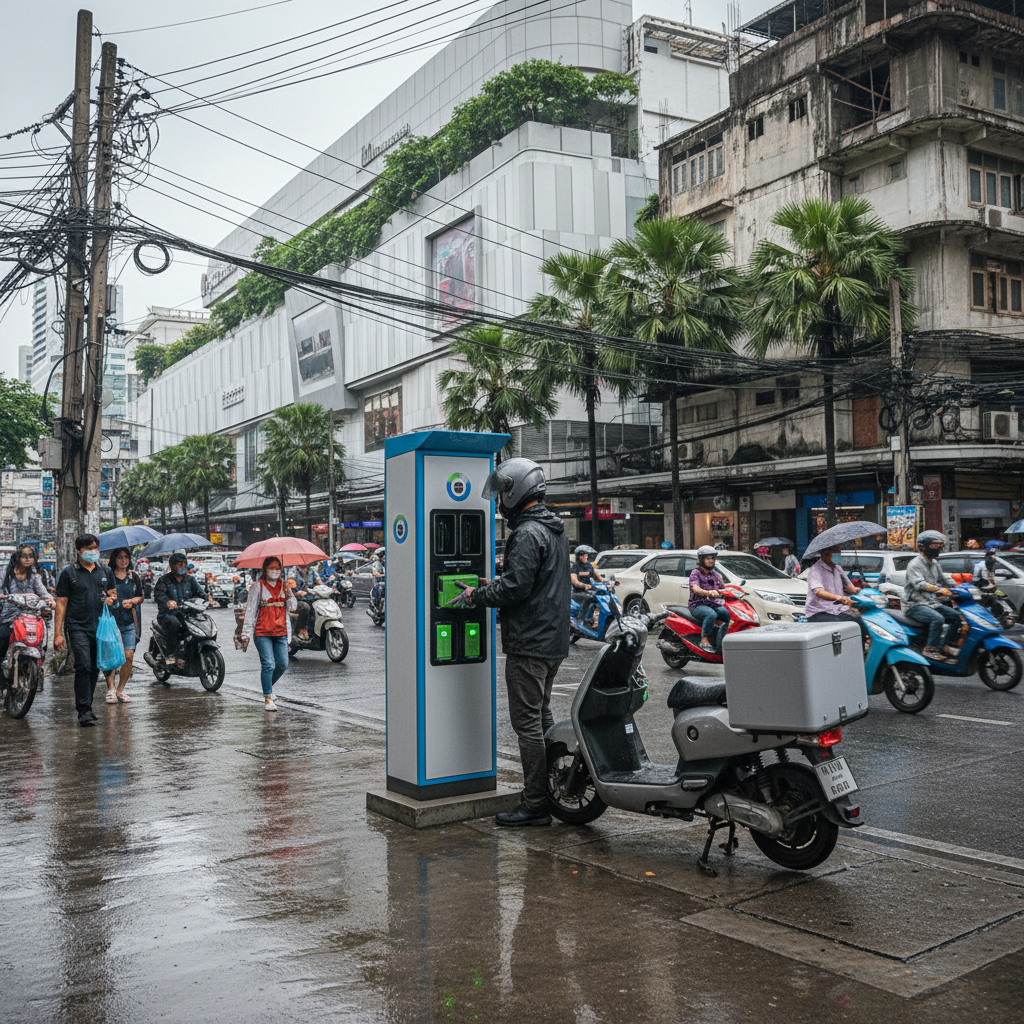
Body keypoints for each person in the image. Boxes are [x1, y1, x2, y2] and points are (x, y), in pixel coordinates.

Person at [461, 458, 570, 827]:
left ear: (517, 490)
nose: (501, 500)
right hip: (552, 641)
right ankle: (556, 789)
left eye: (503, 492)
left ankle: (536, 803)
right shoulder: (554, 529)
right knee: (542, 718)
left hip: (529, 644)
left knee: (527, 726)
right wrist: (487, 583)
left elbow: (516, 587)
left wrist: (477, 596)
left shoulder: (526, 533)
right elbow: (530, 581)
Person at [53, 534, 116, 726]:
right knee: (83, 665)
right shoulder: (69, 573)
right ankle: (83, 710)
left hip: (100, 626)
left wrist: (112, 599)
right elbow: (61, 603)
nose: (93, 551)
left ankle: (87, 706)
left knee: (94, 667)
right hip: (77, 626)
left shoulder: (105, 570)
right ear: (79, 551)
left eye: (96, 548)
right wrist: (58, 634)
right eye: (89, 548)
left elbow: (113, 593)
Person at [239, 556, 297, 711]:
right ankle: (268, 698)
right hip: (262, 631)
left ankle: (267, 687)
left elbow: (292, 607)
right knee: (268, 664)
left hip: (281, 632)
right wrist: (246, 634)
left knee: (283, 664)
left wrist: (289, 594)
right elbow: (251, 610)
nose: (275, 571)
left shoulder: (284, 585)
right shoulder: (257, 586)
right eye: (271, 568)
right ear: (265, 570)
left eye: (277, 568)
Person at [903, 530, 962, 663]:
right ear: (924, 546)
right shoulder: (915, 564)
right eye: (935, 545)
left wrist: (961, 587)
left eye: (940, 545)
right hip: (915, 605)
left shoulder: (934, 563)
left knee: (955, 616)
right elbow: (919, 584)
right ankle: (930, 649)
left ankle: (945, 646)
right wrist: (940, 589)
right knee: (938, 619)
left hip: (932, 603)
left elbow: (944, 578)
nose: (939, 548)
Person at [1, 544, 56, 671]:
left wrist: (50, 601)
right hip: (10, 616)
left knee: (42, 639)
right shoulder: (5, 574)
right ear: (17, 558)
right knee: (3, 638)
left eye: (30, 556)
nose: (27, 559)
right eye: (24, 556)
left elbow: (43, 592)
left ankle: (37, 669)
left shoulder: (35, 576)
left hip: (32, 615)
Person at [154, 550, 214, 666]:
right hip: (168, 615)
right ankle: (172, 656)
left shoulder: (190, 580)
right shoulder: (164, 580)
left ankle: (198, 652)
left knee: (205, 623)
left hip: (187, 614)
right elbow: (159, 596)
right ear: (172, 566)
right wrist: (168, 602)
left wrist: (209, 599)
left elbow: (200, 593)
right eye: (179, 564)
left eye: (184, 564)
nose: (182, 566)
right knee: (174, 624)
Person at [804, 544, 869, 644]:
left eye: (839, 551)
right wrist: (840, 598)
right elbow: (819, 592)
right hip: (819, 612)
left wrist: (859, 590)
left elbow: (850, 588)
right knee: (851, 626)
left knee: (861, 624)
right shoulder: (815, 570)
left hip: (837, 610)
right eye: (836, 551)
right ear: (826, 553)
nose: (838, 553)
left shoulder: (837, 568)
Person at [103, 548, 144, 704]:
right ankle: (111, 689)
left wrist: (133, 601)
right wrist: (107, 600)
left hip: (129, 621)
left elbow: (141, 596)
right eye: (120, 557)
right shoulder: (107, 576)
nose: (123, 560)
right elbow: (100, 595)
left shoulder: (134, 577)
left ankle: (120, 689)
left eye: (126, 557)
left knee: (129, 656)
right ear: (114, 559)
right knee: (112, 657)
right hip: (111, 622)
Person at [688, 546, 731, 653]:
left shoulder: (715, 575)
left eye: (713, 558)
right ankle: (704, 639)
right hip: (697, 605)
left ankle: (721, 639)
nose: (711, 560)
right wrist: (707, 593)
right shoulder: (695, 573)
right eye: (708, 558)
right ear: (701, 560)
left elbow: (723, 589)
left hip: (712, 604)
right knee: (711, 614)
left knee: (727, 614)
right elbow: (695, 588)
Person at [570, 545, 602, 630]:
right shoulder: (575, 567)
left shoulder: (588, 565)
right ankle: (581, 620)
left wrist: (608, 582)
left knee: (600, 598)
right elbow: (575, 581)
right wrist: (584, 585)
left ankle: (591, 620)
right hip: (577, 592)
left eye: (586, 555)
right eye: (582, 555)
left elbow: (597, 577)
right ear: (578, 556)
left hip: (589, 590)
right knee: (588, 598)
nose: (584, 557)